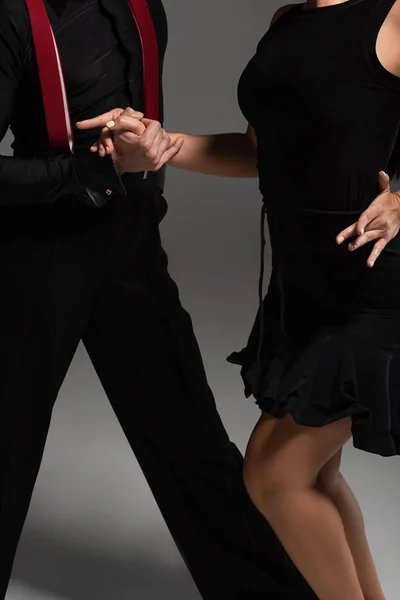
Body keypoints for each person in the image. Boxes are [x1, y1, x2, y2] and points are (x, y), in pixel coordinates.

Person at [0, 0, 321, 598]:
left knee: (191, 435)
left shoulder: (146, 9)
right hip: (40, 254)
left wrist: (144, 170)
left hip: (131, 245)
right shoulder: (16, 17)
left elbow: (150, 136)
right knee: (7, 439)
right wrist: (83, 175)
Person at [81, 0, 400, 598]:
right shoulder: (289, 21)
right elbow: (261, 152)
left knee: (275, 475)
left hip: (378, 287)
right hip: (305, 286)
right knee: (318, 477)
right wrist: (161, 145)